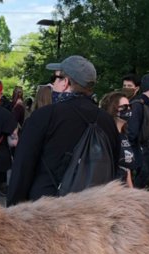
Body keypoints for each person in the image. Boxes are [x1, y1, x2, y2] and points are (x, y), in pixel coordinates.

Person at [7, 55, 120, 205]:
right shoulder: (107, 121)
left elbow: (22, 168)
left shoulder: (45, 116)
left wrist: (14, 209)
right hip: (92, 211)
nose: (53, 83)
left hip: (46, 210)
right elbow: (113, 168)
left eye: (56, 78)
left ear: (66, 82)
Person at [127, 72, 149, 188]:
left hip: (143, 145)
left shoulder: (146, 103)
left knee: (144, 174)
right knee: (142, 174)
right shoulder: (139, 103)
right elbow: (134, 128)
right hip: (139, 146)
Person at [99, 89, 135, 186]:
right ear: (112, 109)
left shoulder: (124, 135)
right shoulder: (105, 136)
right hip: (110, 192)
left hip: (123, 192)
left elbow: (127, 169)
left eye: (129, 106)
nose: (128, 110)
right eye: (124, 107)